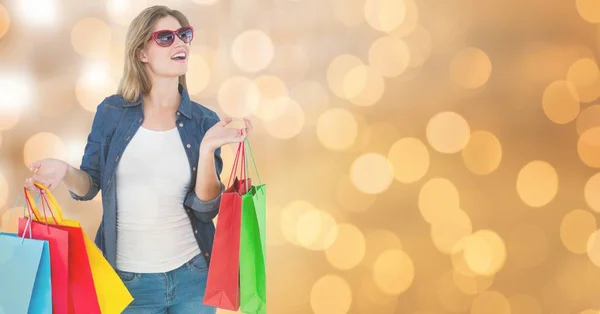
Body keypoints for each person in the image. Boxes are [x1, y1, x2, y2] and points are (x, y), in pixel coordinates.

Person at [23, 5, 250, 313]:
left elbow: (206, 208)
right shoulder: (112, 113)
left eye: (184, 35)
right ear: (141, 52)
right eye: (166, 37)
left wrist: (208, 149)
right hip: (129, 284)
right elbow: (89, 185)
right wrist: (64, 170)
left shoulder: (203, 120)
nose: (180, 43)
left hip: (194, 276)